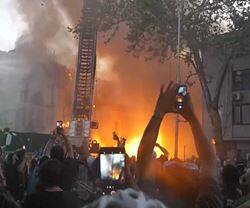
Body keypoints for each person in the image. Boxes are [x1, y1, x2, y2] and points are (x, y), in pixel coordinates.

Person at [137, 82, 223, 208]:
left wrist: (159, 112)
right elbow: (209, 161)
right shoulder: (207, 204)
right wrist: (192, 117)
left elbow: (143, 161)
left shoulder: (148, 205)